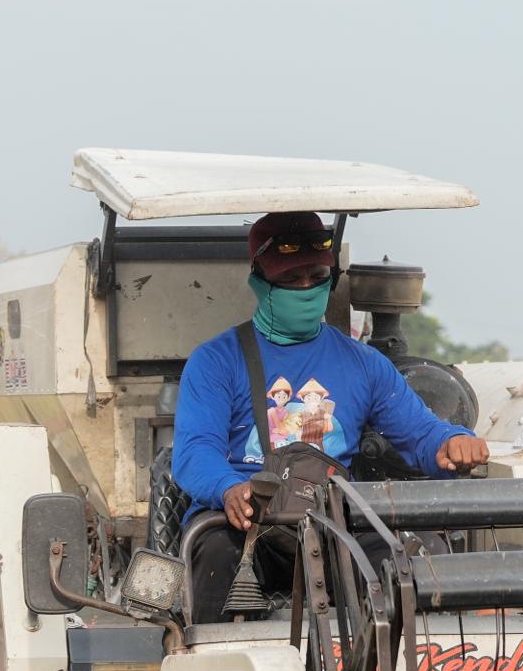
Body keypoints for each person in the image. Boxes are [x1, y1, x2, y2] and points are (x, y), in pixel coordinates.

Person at [173, 212, 488, 620]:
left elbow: (421, 433)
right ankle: (209, 668)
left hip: (333, 523)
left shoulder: (364, 363)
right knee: (216, 552)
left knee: (409, 563)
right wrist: (228, 487)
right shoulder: (216, 361)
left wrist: (451, 443)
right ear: (258, 280)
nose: (305, 288)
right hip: (245, 524)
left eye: (316, 276)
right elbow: (195, 452)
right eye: (290, 279)